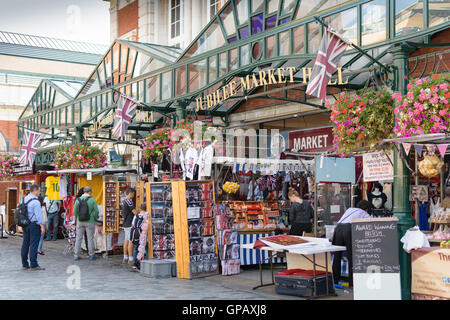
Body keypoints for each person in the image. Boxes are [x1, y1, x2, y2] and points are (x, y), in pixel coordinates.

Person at [332, 200, 372, 287]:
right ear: (367, 209)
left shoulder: (349, 209)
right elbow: (371, 225)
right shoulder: (365, 213)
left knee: (337, 256)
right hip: (349, 229)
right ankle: (352, 283)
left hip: (338, 229)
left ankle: (335, 280)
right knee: (352, 257)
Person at [20, 184, 45, 271]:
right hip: (34, 224)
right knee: (34, 245)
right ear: (35, 190)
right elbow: (38, 216)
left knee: (25, 244)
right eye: (39, 190)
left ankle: (24, 264)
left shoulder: (23, 199)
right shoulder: (36, 202)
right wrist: (42, 226)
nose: (40, 192)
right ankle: (34, 264)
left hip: (25, 224)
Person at [73, 186, 99, 261]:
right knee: (90, 238)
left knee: (78, 238)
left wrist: (78, 217)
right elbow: (96, 211)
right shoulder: (92, 200)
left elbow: (74, 211)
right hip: (89, 221)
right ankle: (91, 255)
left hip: (80, 221)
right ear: (90, 191)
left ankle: (76, 255)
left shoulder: (78, 200)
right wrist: (94, 217)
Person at [131, 203, 149, 271]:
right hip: (144, 234)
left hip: (136, 234)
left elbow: (133, 225)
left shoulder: (136, 216)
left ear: (140, 209)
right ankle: (148, 262)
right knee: (146, 248)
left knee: (136, 248)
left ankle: (135, 263)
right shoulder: (147, 215)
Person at [122, 188, 137, 264]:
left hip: (125, 223)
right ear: (130, 193)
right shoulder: (129, 202)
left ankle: (125, 257)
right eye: (133, 194)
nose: (134, 195)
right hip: (130, 223)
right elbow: (134, 212)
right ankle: (131, 259)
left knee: (126, 240)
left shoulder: (124, 201)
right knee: (131, 241)